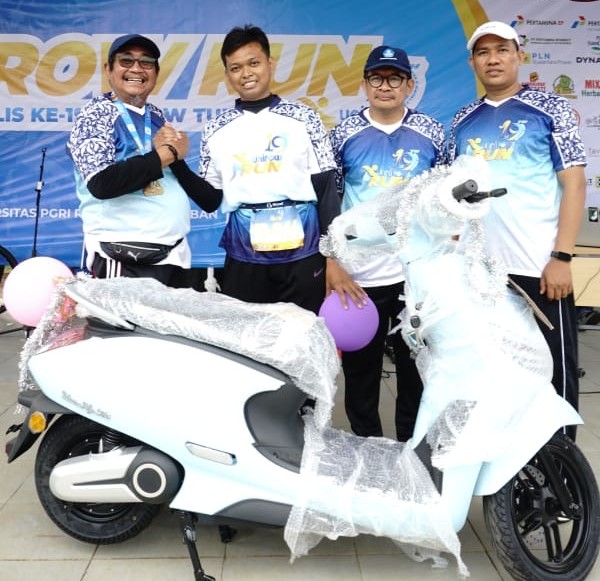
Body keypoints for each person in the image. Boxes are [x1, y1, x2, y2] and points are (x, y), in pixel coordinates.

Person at [448, 21, 587, 439]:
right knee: (494, 371)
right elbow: (455, 195)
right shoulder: (462, 121)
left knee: (555, 371)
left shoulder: (551, 110)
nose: (493, 60)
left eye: (502, 50)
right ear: (472, 62)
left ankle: (562, 466)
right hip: (480, 272)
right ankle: (506, 462)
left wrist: (562, 257)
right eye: (483, 52)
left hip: (538, 268)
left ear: (518, 56)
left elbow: (575, 184)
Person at [199, 24, 362, 314]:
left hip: (304, 255)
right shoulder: (215, 129)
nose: (246, 73)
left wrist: (333, 258)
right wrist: (174, 161)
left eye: (254, 63)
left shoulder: (304, 118)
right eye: (236, 68)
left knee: (304, 330)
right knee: (246, 334)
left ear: (270, 64)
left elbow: (326, 191)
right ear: (227, 76)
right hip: (244, 256)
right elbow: (210, 196)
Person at [329, 45, 446, 441]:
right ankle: (366, 446)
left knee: (415, 370)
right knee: (360, 373)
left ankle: (410, 448)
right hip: (360, 277)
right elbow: (330, 202)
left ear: (409, 85)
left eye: (395, 78)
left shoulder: (431, 133)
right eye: (376, 78)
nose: (385, 86)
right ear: (364, 85)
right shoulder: (343, 135)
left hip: (414, 276)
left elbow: (442, 200)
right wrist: (334, 260)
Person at [68, 34, 222, 288]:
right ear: (108, 69)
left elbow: (208, 200)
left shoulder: (156, 116)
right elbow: (101, 183)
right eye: (126, 61)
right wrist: (166, 154)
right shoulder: (95, 114)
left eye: (146, 62)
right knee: (122, 318)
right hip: (122, 256)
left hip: (173, 255)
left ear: (156, 73)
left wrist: (176, 158)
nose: (137, 68)